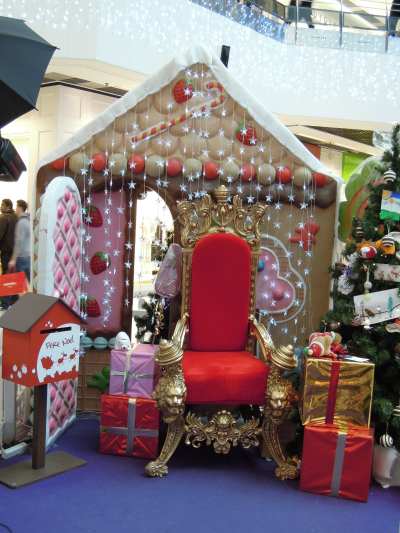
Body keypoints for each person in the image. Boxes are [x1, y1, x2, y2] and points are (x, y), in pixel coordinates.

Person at [8, 199, 31, 282]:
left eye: (16, 207)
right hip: (28, 256)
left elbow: (18, 242)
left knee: (16, 284)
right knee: (29, 282)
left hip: (21, 258)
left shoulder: (21, 223)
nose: (15, 209)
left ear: (20, 208)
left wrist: (13, 259)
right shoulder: (28, 221)